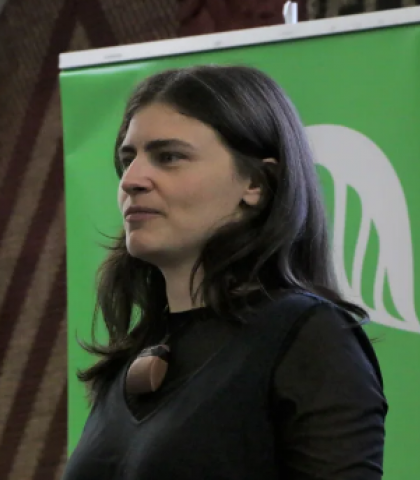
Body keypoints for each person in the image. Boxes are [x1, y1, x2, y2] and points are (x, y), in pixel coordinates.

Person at [61, 64, 387, 480]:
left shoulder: (308, 335)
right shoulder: (130, 358)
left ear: (255, 183)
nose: (132, 180)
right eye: (129, 159)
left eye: (169, 157)